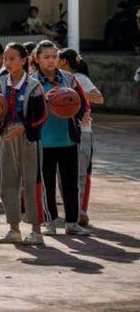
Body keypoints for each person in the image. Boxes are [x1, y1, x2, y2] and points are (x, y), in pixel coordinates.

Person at [0, 42, 47, 246]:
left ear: (24, 61)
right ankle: (13, 228)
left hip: (28, 139)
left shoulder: (34, 86)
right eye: (5, 58)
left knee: (31, 183)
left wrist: (24, 127)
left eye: (12, 58)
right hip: (5, 137)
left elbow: (41, 115)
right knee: (7, 183)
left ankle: (36, 230)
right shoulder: (1, 83)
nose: (8, 62)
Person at [33, 40, 90, 237]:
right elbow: (28, 110)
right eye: (46, 57)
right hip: (43, 140)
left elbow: (82, 102)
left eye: (54, 57)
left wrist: (82, 114)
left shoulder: (69, 79)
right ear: (37, 59)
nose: (51, 60)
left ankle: (72, 222)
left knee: (70, 183)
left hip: (68, 138)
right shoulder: (33, 82)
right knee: (46, 183)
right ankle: (50, 221)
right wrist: (43, 101)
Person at [58, 48, 103, 227]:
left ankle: (80, 211)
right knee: (62, 175)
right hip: (60, 132)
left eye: (57, 57)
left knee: (81, 174)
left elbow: (99, 98)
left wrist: (75, 95)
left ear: (64, 62)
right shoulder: (54, 79)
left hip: (82, 132)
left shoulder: (80, 79)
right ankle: (72, 209)